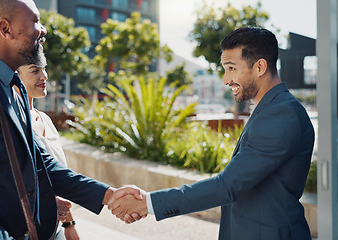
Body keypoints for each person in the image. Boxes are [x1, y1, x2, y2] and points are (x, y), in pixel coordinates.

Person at [0, 0, 137, 239]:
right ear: (6, 29)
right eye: (35, 20)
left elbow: (43, 164)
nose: (42, 29)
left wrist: (109, 195)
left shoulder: (12, 87)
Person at [109, 27, 315, 240]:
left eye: (232, 68)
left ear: (260, 66)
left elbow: (227, 186)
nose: (226, 79)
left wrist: (147, 203)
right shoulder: (271, 109)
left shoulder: (281, 114)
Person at [17, 63, 79, 240]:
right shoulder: (13, 125)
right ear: (15, 75)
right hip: (28, 231)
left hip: (55, 229)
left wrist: (69, 225)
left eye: (44, 69)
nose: (44, 76)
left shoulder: (45, 119)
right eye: (35, 71)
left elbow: (58, 178)